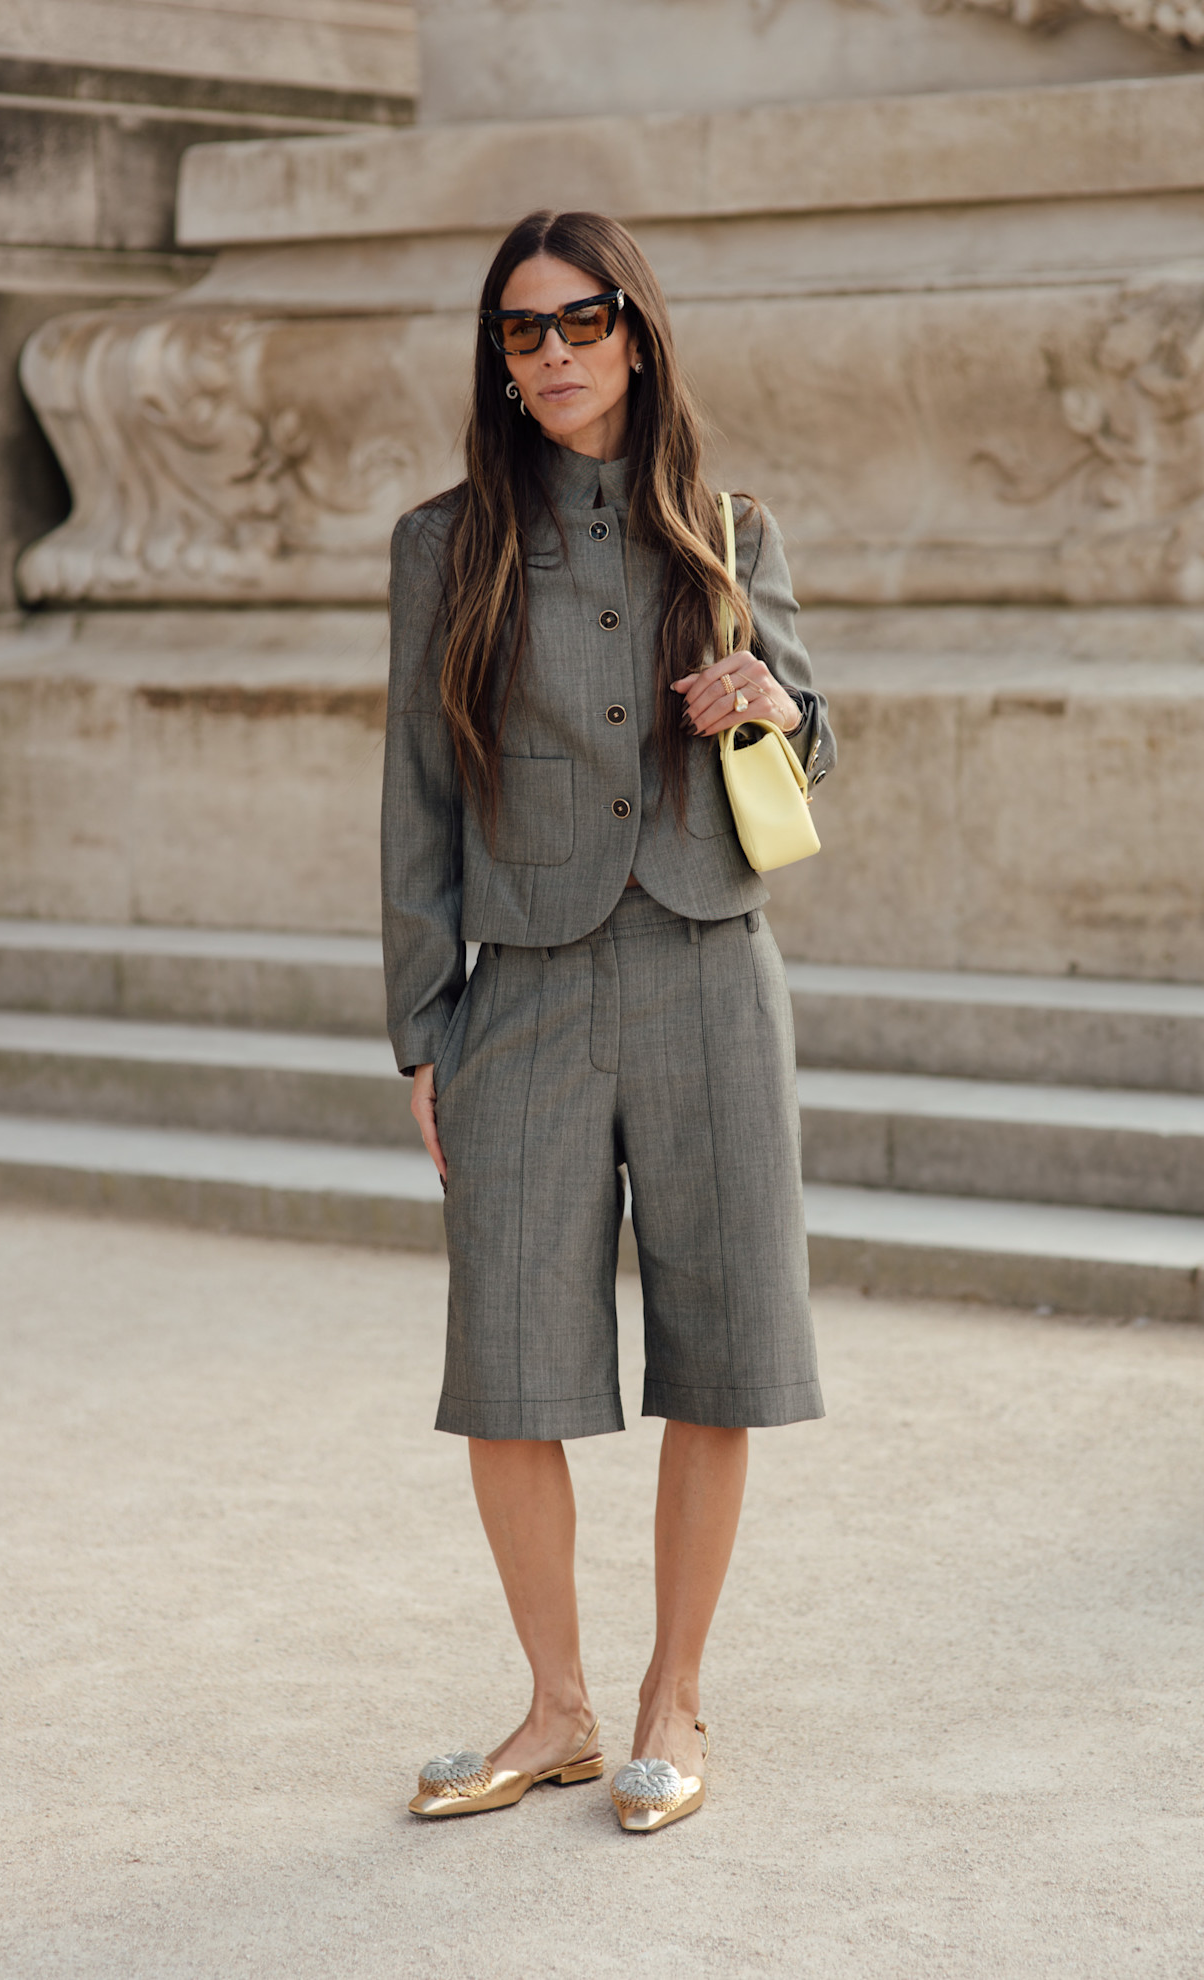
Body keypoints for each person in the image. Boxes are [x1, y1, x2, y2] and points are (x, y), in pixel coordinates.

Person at [381, 207, 835, 1833]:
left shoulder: (726, 525)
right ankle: (557, 1708)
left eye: (583, 321)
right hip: (523, 994)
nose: (555, 352)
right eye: (521, 332)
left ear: (637, 333)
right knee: (509, 1365)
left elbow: (813, 736)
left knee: (715, 1351)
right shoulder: (443, 549)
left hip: (712, 970)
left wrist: (770, 700)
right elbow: (415, 800)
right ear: (498, 363)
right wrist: (421, 1026)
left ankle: (671, 1699)